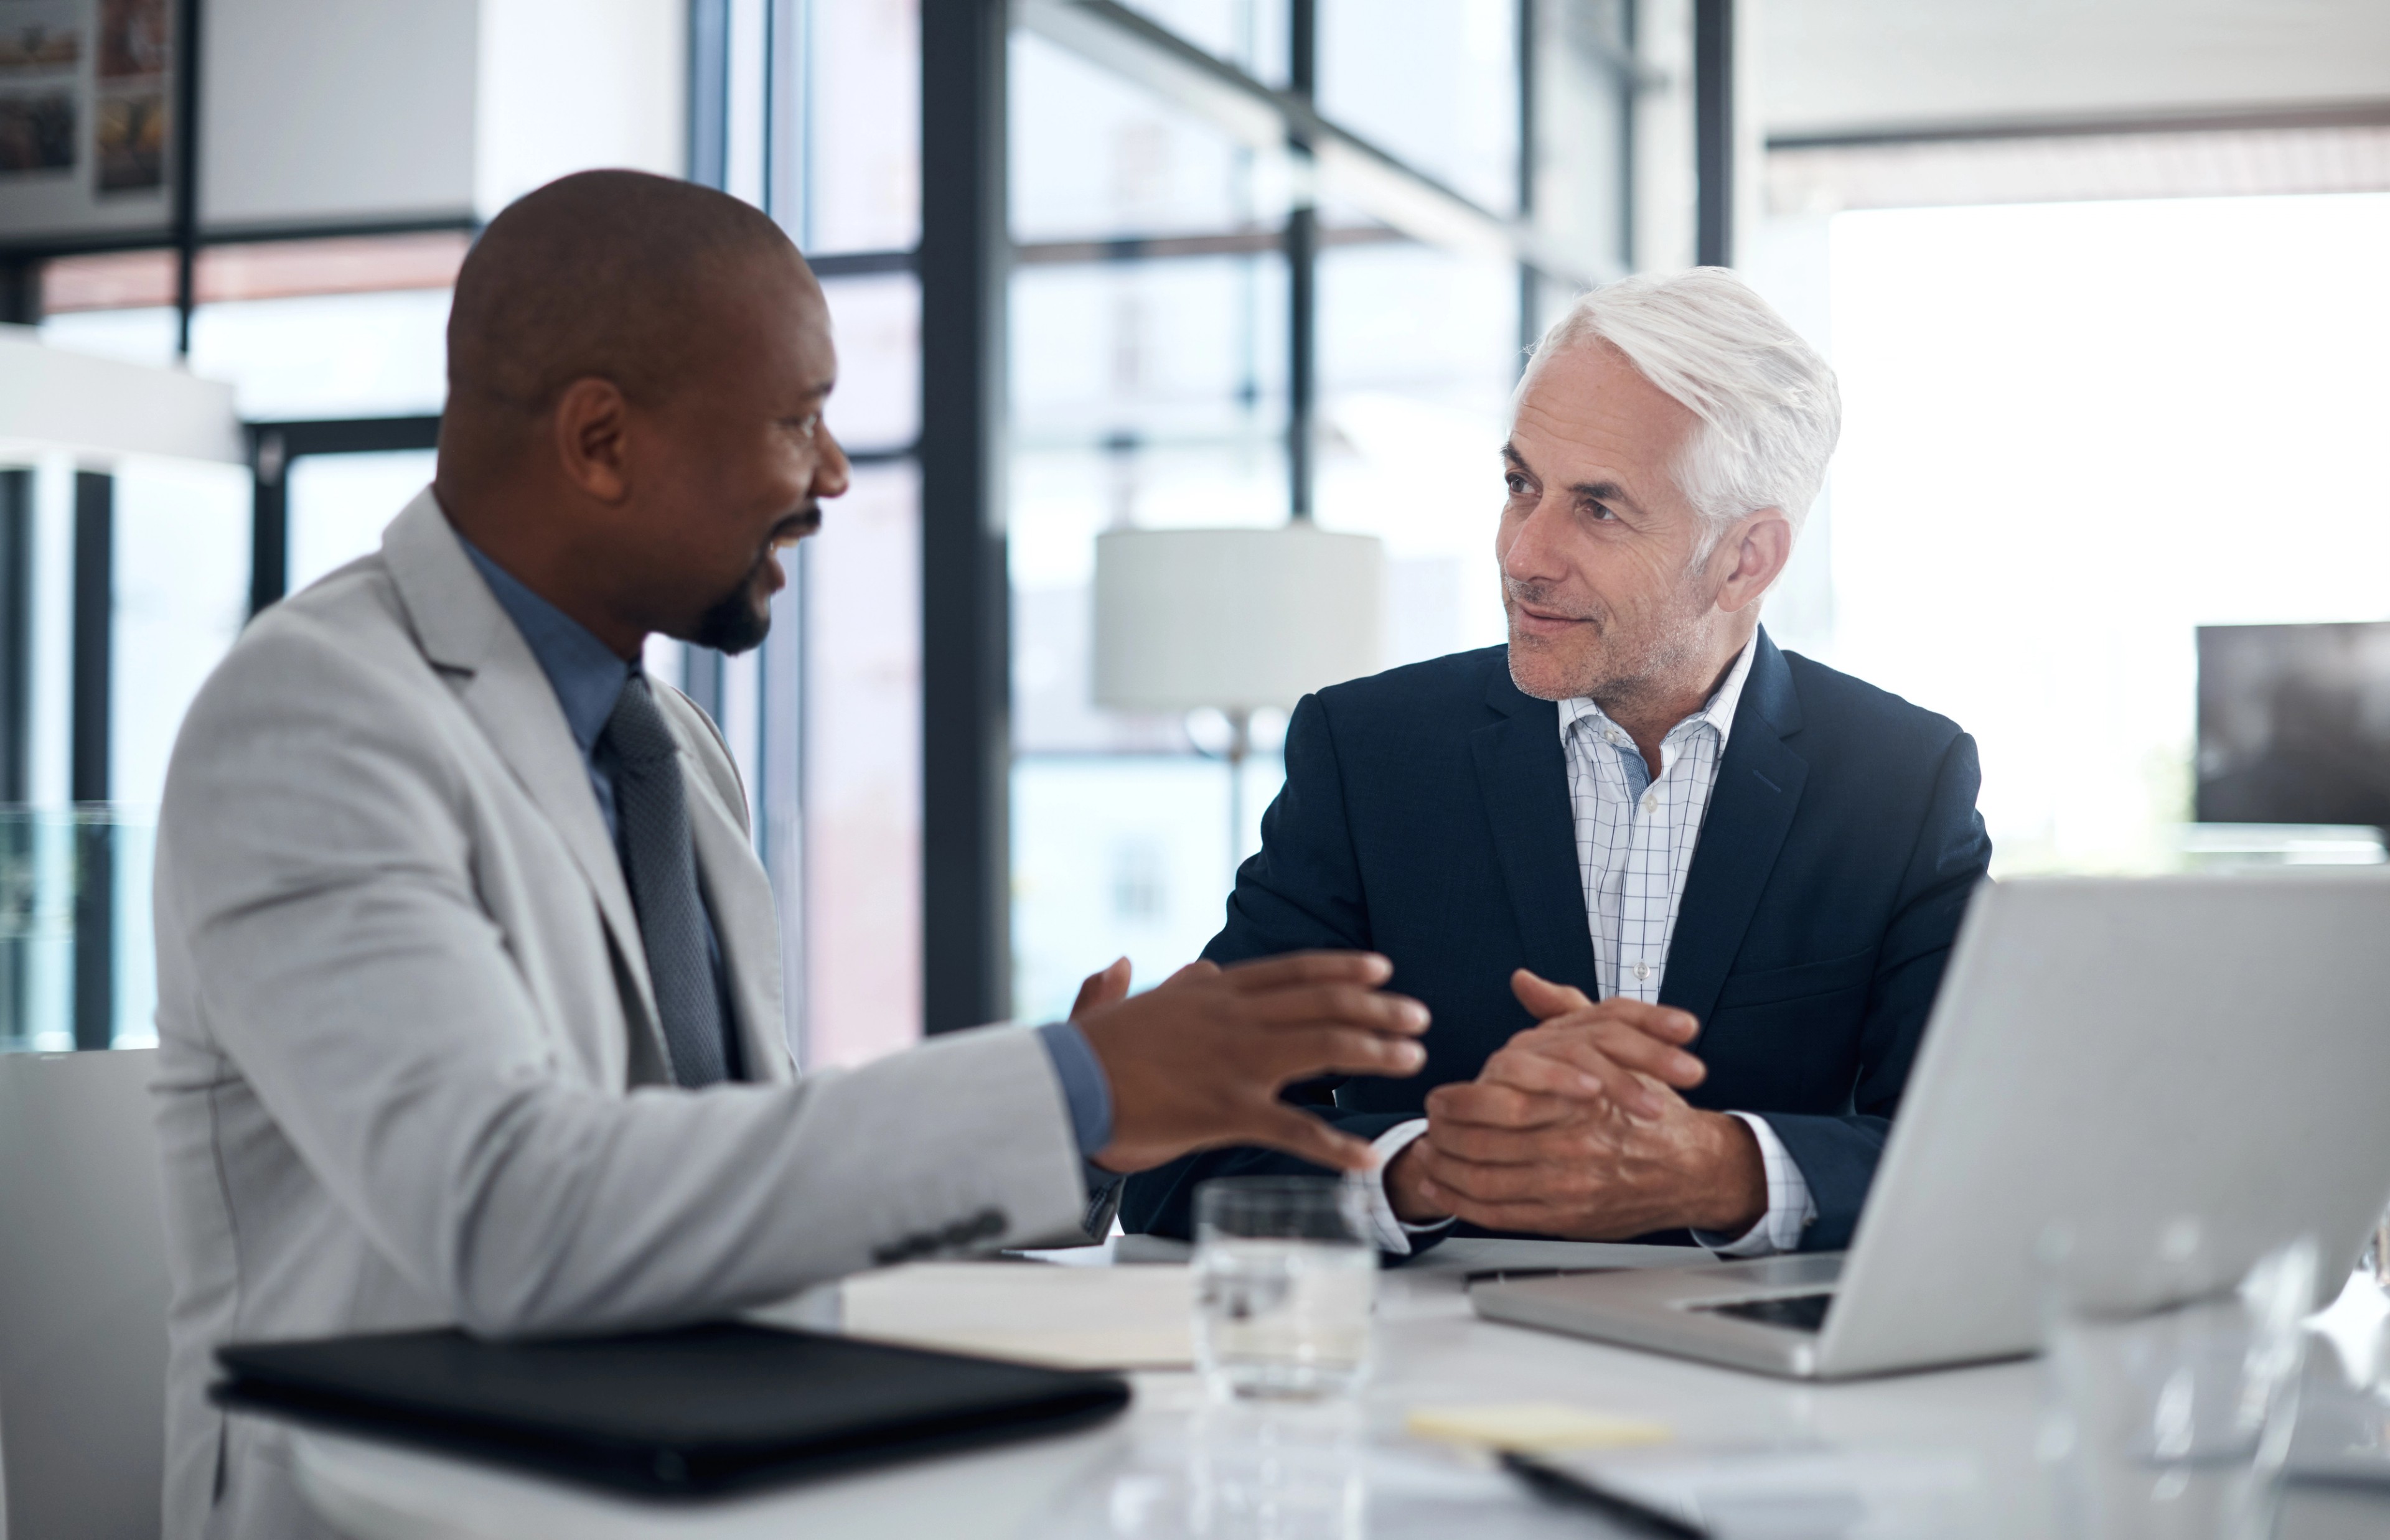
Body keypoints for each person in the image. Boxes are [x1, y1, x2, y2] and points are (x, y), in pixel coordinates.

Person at [149, 170, 1430, 1540]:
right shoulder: (317, 716)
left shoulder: (677, 754)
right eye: (797, 420)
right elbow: (509, 1211)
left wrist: (1093, 1133)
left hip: (688, 1480)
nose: (831, 477)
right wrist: (1067, 1087)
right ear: (600, 440)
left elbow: (713, 1183)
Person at [1123, 267, 1990, 1260]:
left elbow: (1974, 1161)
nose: (1524, 553)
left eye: (1599, 510)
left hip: (1763, 1395)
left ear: (1747, 559)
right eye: (1520, 485)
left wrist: (1722, 1168)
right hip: (1437, 1395)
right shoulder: (1370, 759)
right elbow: (1178, 1152)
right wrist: (1425, 1168)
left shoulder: (1901, 781)